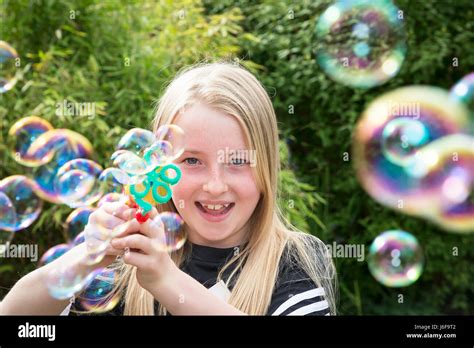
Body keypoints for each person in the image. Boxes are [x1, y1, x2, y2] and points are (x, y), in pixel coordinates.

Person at [0, 62, 337, 316]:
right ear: (160, 166)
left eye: (237, 161)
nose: (215, 185)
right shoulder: (129, 264)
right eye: (192, 161)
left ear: (266, 165)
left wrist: (166, 281)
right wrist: (90, 256)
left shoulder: (296, 262)